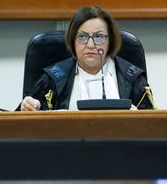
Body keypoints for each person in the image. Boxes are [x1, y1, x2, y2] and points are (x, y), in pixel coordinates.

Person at [19, 6, 155, 111]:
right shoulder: (52, 79)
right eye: (82, 37)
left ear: (111, 41)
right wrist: (27, 107)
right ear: (73, 40)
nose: (90, 45)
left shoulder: (132, 78)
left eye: (99, 37)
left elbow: (153, 127)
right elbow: (23, 124)